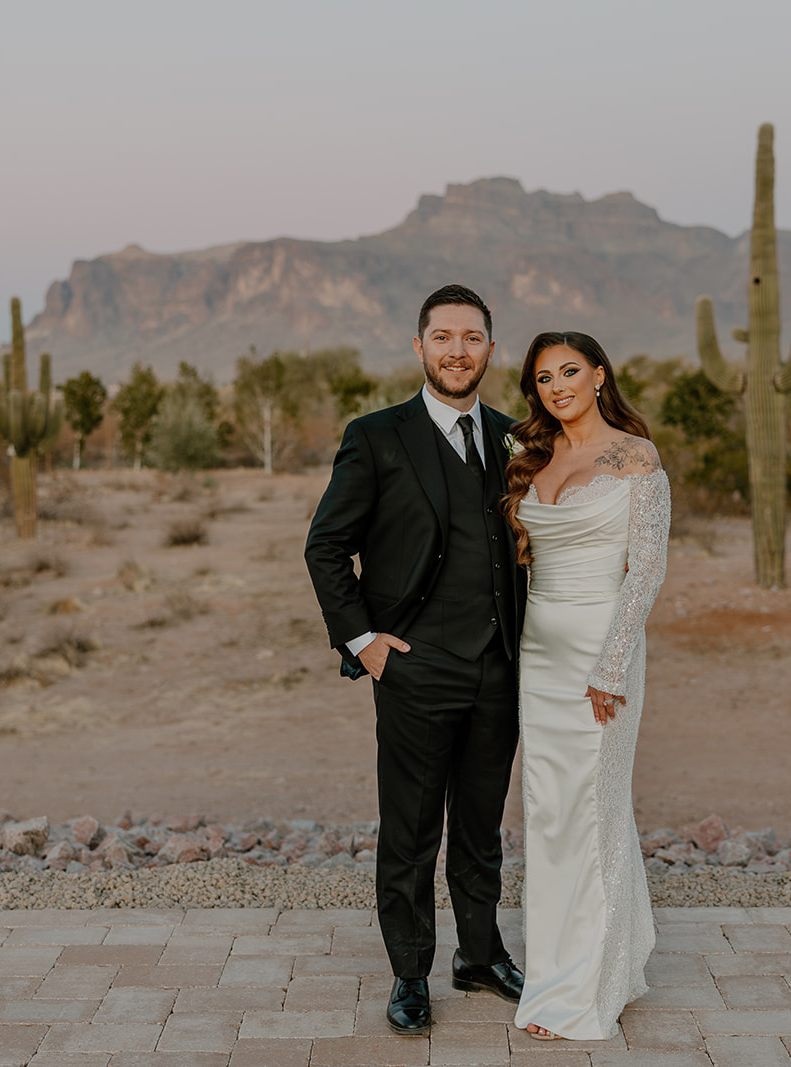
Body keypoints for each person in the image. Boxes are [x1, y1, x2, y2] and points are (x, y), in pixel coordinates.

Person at [304, 284, 527, 1036]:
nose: (458, 350)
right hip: (413, 667)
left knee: (480, 826)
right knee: (409, 830)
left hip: (498, 669)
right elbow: (326, 544)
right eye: (443, 337)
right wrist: (362, 642)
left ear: (491, 350)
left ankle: (480, 953)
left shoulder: (513, 437)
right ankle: (410, 971)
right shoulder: (376, 436)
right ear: (419, 347)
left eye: (472, 338)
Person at [499, 331, 668, 1041]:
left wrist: (611, 662)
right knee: (550, 814)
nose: (557, 385)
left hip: (606, 652)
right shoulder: (528, 456)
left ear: (600, 374)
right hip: (539, 658)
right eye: (543, 377)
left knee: (595, 806)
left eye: (570, 370)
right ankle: (572, 966)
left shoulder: (635, 456)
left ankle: (588, 988)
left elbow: (646, 569)